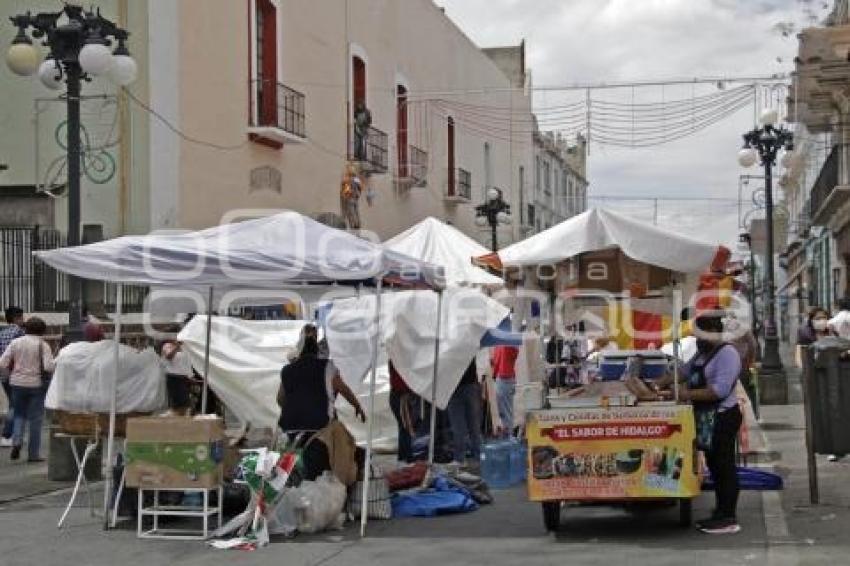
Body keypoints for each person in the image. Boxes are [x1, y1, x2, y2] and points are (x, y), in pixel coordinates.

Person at [662, 313, 742, 535]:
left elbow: (719, 390)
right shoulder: (703, 353)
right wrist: (658, 383)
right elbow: (683, 371)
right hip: (707, 417)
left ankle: (728, 516)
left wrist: (685, 394)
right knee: (714, 464)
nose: (697, 339)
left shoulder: (727, 354)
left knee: (723, 465)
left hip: (723, 416)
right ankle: (720, 511)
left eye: (699, 334)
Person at [278, 324, 366, 479]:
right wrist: (357, 405)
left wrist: (296, 408)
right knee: (342, 447)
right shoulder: (327, 366)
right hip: (319, 428)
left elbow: (280, 399)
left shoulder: (287, 370)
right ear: (318, 351)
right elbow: (342, 388)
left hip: (290, 428)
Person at [0, 317, 55, 462]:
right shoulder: (43, 345)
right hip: (36, 385)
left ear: (26, 329)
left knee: (19, 414)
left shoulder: (15, 342)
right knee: (35, 420)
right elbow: (49, 367)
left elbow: (3, 362)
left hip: (17, 383)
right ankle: (33, 454)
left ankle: (16, 441)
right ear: (42, 331)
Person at [447, 359, 483, 468]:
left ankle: (461, 459)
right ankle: (478, 457)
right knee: (472, 426)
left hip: (458, 386)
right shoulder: (469, 343)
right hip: (468, 386)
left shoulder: (448, 345)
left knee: (460, 427)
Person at [0, 307, 25, 448]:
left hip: (3, 373)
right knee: (15, 405)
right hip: (16, 373)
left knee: (13, 403)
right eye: (21, 318)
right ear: (16, 318)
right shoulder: (19, 333)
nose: (23, 321)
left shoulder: (2, 333)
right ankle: (7, 434)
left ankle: (15, 435)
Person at [388, 361, 416, 464]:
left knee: (403, 427)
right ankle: (407, 457)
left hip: (399, 395)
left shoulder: (395, 359)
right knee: (405, 427)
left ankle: (403, 457)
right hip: (401, 396)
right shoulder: (397, 360)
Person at [160, 334, 194, 415]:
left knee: (185, 405)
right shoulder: (167, 346)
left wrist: (190, 376)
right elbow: (169, 356)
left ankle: (181, 420)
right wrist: (177, 346)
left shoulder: (184, 348)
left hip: (184, 379)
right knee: (178, 405)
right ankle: (174, 421)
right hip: (174, 379)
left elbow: (186, 364)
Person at [491, 345, 519, 437]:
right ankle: (509, 432)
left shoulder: (500, 345)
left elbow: (497, 361)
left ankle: (508, 434)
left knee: (504, 409)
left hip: (502, 377)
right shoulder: (513, 345)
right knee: (509, 408)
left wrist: (494, 374)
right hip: (511, 377)